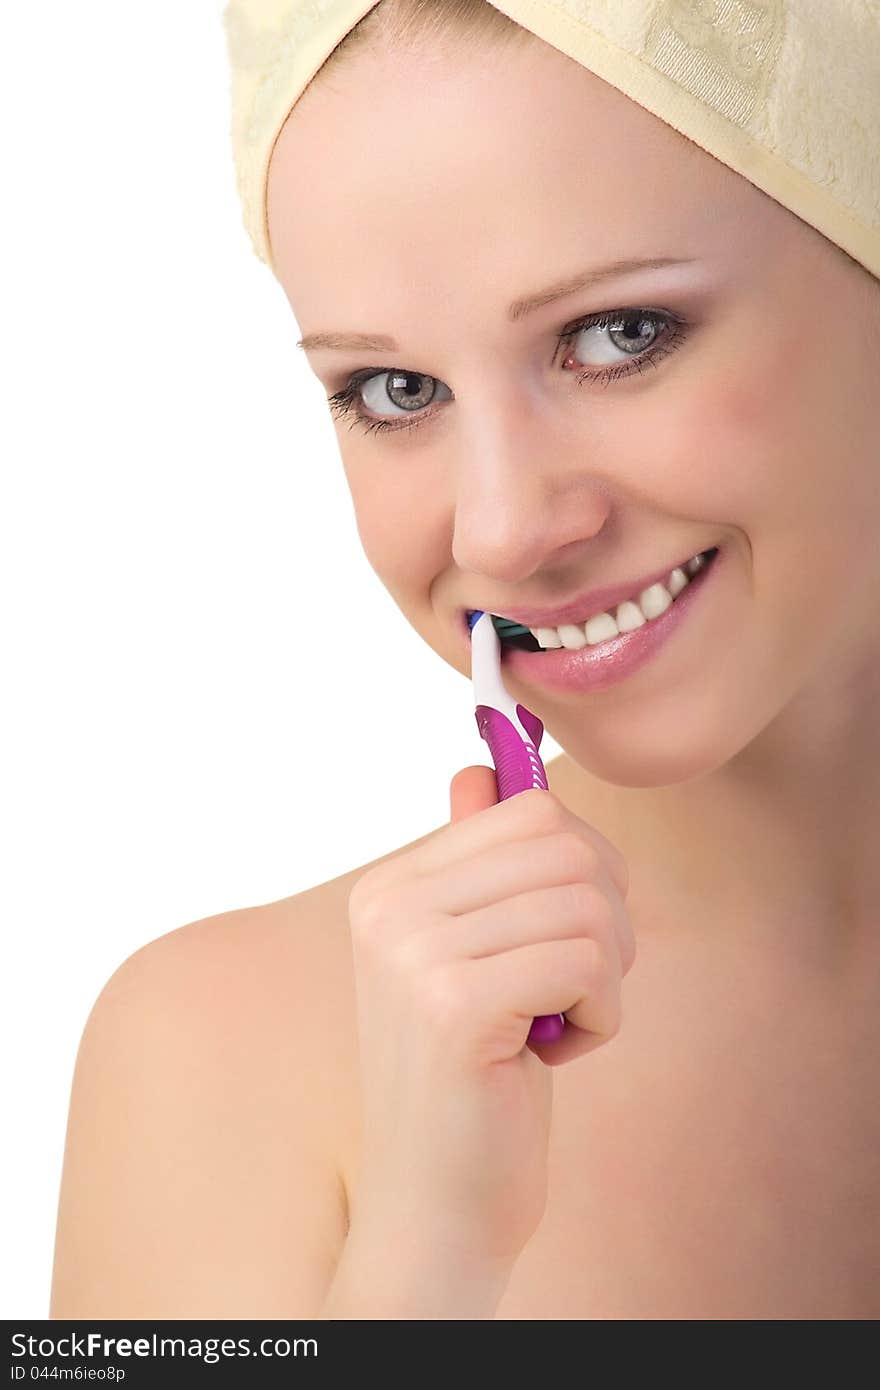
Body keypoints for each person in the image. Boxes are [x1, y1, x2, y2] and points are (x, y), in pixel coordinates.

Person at [49, 0, 880, 1319]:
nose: (497, 531)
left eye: (619, 335)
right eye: (395, 391)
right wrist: (425, 1252)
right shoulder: (213, 1061)